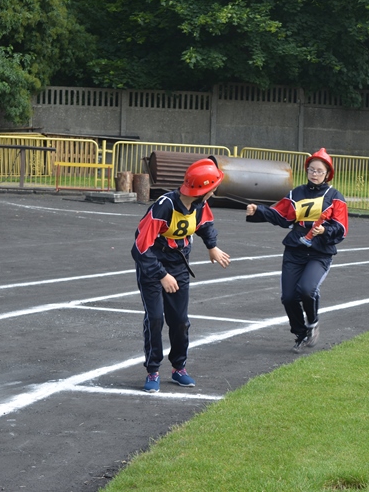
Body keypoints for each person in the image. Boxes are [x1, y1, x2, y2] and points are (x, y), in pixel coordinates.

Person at [131, 157, 231, 393]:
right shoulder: (164, 206)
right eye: (212, 189)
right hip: (153, 266)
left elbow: (205, 224)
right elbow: (140, 248)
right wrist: (161, 275)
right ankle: (153, 370)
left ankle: (179, 368)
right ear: (203, 190)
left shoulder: (199, 204)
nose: (214, 193)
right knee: (155, 318)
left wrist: (212, 246)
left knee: (180, 321)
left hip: (179, 266)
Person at [245, 148, 348, 352]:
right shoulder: (296, 193)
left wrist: (324, 230)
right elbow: (281, 216)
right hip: (295, 250)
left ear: (328, 174)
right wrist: (258, 210)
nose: (314, 174)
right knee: (289, 297)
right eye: (311, 170)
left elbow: (341, 227)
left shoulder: (335, 197)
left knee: (307, 290)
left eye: (319, 171)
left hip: (320, 252)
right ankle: (301, 334)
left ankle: (312, 323)